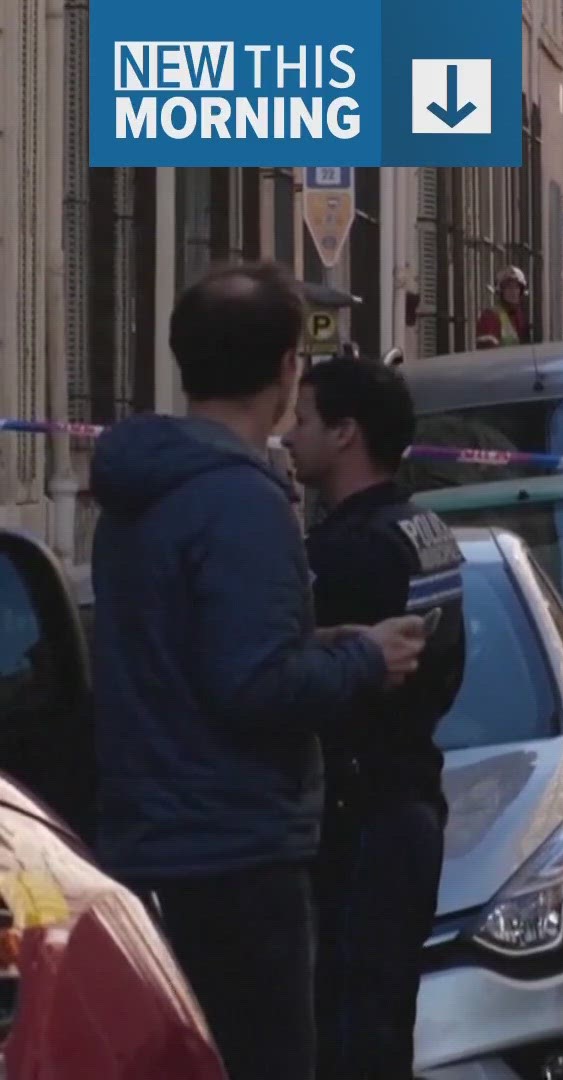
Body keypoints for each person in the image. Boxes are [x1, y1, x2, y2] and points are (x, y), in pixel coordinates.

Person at [88, 262, 426, 1080]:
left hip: (149, 847)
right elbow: (251, 688)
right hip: (237, 854)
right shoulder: (241, 501)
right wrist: (361, 659)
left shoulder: (138, 491)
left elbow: (186, 652)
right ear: (286, 369)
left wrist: (314, 638)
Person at [287, 357, 468, 1080]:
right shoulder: (428, 530)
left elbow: (299, 685)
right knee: (387, 1026)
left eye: (302, 420)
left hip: (360, 814)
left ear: (345, 433)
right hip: (411, 800)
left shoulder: (345, 558)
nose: (289, 436)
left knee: (349, 1031)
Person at [475, 266, 530, 349]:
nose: (513, 292)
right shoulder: (490, 316)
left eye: (516, 287)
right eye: (508, 287)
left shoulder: (519, 315)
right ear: (500, 291)